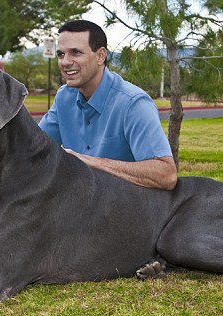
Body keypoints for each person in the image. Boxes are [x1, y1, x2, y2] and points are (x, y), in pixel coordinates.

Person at [39, 20, 178, 190]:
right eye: (61, 54)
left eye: (75, 52)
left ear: (100, 56)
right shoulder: (64, 97)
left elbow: (166, 174)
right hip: (79, 206)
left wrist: (90, 162)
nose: (65, 62)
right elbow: (33, 148)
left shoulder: (133, 103)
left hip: (127, 210)